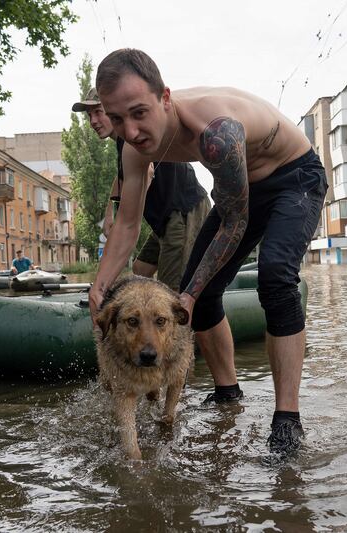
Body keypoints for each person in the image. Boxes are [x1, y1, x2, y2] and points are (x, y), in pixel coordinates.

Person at [88, 49, 327, 457]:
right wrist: (100, 284)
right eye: (116, 118)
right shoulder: (133, 148)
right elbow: (127, 224)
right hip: (241, 190)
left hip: (294, 178)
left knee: (274, 278)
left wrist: (190, 295)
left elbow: (234, 224)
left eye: (139, 113)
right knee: (201, 287)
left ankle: (287, 419)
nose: (129, 130)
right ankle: (227, 391)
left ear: (165, 97)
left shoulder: (216, 133)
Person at [72, 88, 211, 291]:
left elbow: (147, 172)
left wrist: (124, 222)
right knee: (140, 269)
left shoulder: (132, 136)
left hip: (184, 211)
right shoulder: (121, 142)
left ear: (113, 111)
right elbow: (123, 176)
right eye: (89, 115)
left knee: (171, 291)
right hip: (165, 219)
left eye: (98, 112)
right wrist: (110, 209)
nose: (93, 121)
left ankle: (178, 314)